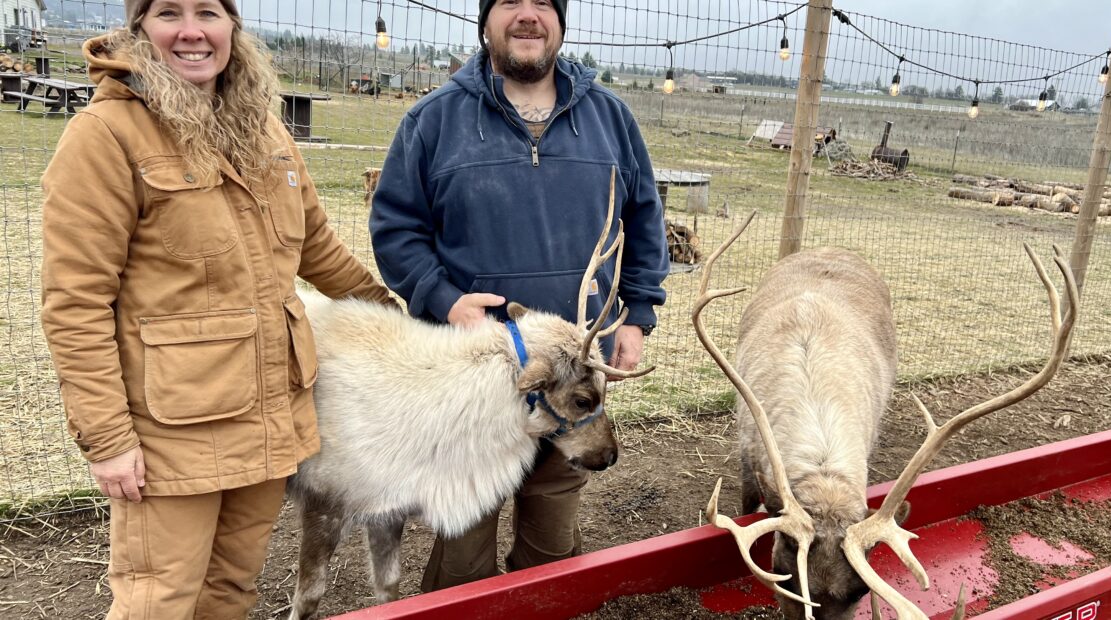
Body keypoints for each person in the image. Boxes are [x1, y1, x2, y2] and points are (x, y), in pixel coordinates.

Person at [39, 1, 397, 617]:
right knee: (158, 598)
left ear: (232, 26)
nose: (191, 30)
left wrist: (400, 319)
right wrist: (107, 439)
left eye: (209, 11)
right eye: (168, 12)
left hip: (269, 414)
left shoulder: (264, 129)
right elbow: (75, 303)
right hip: (172, 431)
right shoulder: (104, 136)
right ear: (138, 28)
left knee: (230, 590)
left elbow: (318, 250)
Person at [370, 0, 668, 592]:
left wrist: (636, 313)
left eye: (543, 4)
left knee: (553, 534)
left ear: (561, 20)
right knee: (465, 539)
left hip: (575, 370)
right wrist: (445, 298)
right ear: (486, 20)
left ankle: (546, 597)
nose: (527, 16)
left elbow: (642, 218)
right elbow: (397, 230)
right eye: (510, 2)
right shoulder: (433, 120)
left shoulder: (610, 119)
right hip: (475, 377)